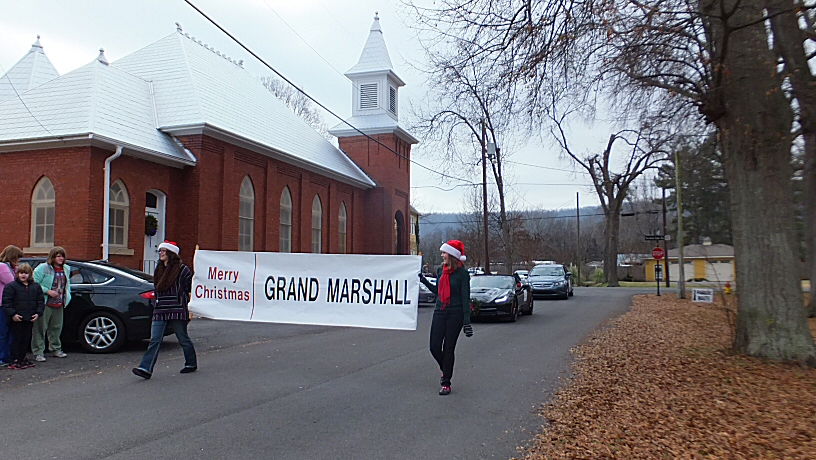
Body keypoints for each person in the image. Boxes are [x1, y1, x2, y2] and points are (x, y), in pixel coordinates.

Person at [132, 240, 197, 379]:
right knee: (155, 339)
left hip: (177, 308)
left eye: (163, 251)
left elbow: (190, 288)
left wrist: (189, 306)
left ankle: (191, 363)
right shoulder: (159, 269)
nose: (160, 253)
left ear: (171, 253)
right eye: (160, 251)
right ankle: (145, 368)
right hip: (160, 308)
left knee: (182, 338)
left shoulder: (182, 270)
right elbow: (157, 288)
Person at [419, 239, 473, 395]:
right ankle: (446, 369)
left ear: (451, 255)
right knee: (434, 347)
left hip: (455, 313)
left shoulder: (462, 274)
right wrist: (423, 280)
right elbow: (438, 291)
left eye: (444, 253)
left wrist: (467, 322)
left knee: (448, 348)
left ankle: (446, 382)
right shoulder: (440, 270)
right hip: (440, 311)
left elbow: (465, 297)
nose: (442, 255)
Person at [32, 246, 71, 362]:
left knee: (56, 328)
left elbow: (67, 285)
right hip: (45, 303)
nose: (61, 258)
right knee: (40, 329)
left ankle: (55, 349)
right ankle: (38, 352)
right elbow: (34, 283)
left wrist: (67, 297)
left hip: (59, 303)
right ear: (52, 257)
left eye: (62, 256)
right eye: (58, 256)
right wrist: (47, 291)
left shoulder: (66, 269)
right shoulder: (43, 268)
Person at [2, 263, 44, 370]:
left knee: (26, 338)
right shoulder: (11, 286)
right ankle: (14, 359)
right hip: (17, 318)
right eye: (21, 273)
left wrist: (38, 313)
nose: (23, 275)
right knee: (16, 339)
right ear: (17, 274)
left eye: (26, 273)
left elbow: (40, 301)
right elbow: (7, 302)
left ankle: (22, 357)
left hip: (30, 318)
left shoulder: (35, 287)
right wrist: (13, 314)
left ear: (30, 274)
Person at [0, 245, 24, 366]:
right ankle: (2, 356)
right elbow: (12, 283)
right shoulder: (3, 267)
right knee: (3, 332)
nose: (19, 260)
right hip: (2, 304)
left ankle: (7, 356)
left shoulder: (12, 268)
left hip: (10, 304)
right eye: (18, 258)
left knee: (10, 332)